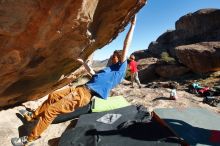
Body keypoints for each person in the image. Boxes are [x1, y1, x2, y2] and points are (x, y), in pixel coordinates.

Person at [11, 15, 137, 146]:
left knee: (51, 111)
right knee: (53, 96)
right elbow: (92, 73)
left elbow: (126, 44)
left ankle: (30, 139)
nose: (112, 57)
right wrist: (83, 62)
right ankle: (32, 116)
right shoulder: (109, 70)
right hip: (78, 89)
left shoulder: (120, 69)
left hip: (84, 95)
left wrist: (132, 26)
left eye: (115, 56)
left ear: (120, 58)